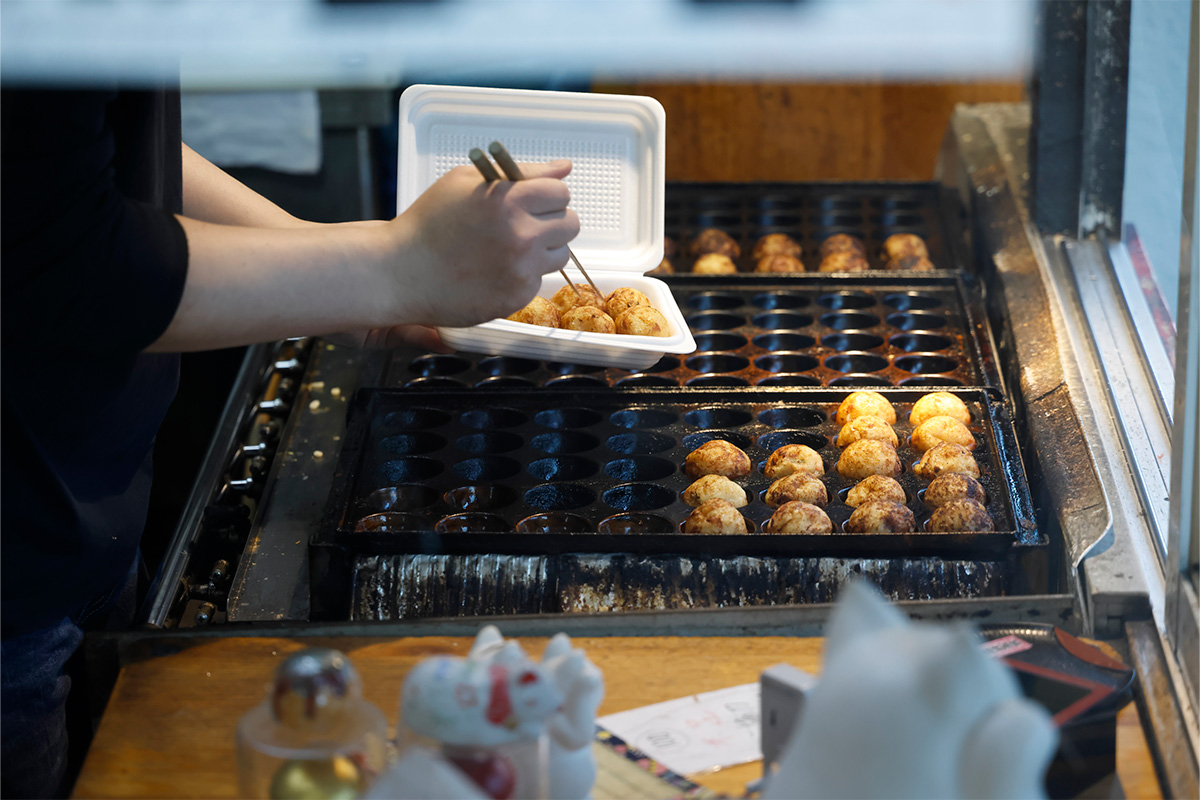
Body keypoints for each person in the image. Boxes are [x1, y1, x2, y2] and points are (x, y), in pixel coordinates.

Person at [0, 87, 580, 798]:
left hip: (89, 504)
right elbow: (72, 261)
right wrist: (390, 265)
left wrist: (347, 277)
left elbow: (101, 158)